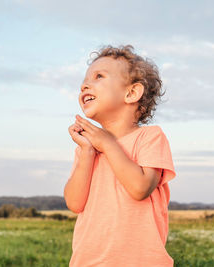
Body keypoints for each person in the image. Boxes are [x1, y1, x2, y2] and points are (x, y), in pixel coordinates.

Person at [64, 44, 177, 266]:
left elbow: (140, 188)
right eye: (85, 80)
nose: (85, 85)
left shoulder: (150, 138)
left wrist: (106, 143)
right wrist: (87, 152)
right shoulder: (87, 147)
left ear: (131, 93)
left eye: (99, 76)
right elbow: (74, 203)